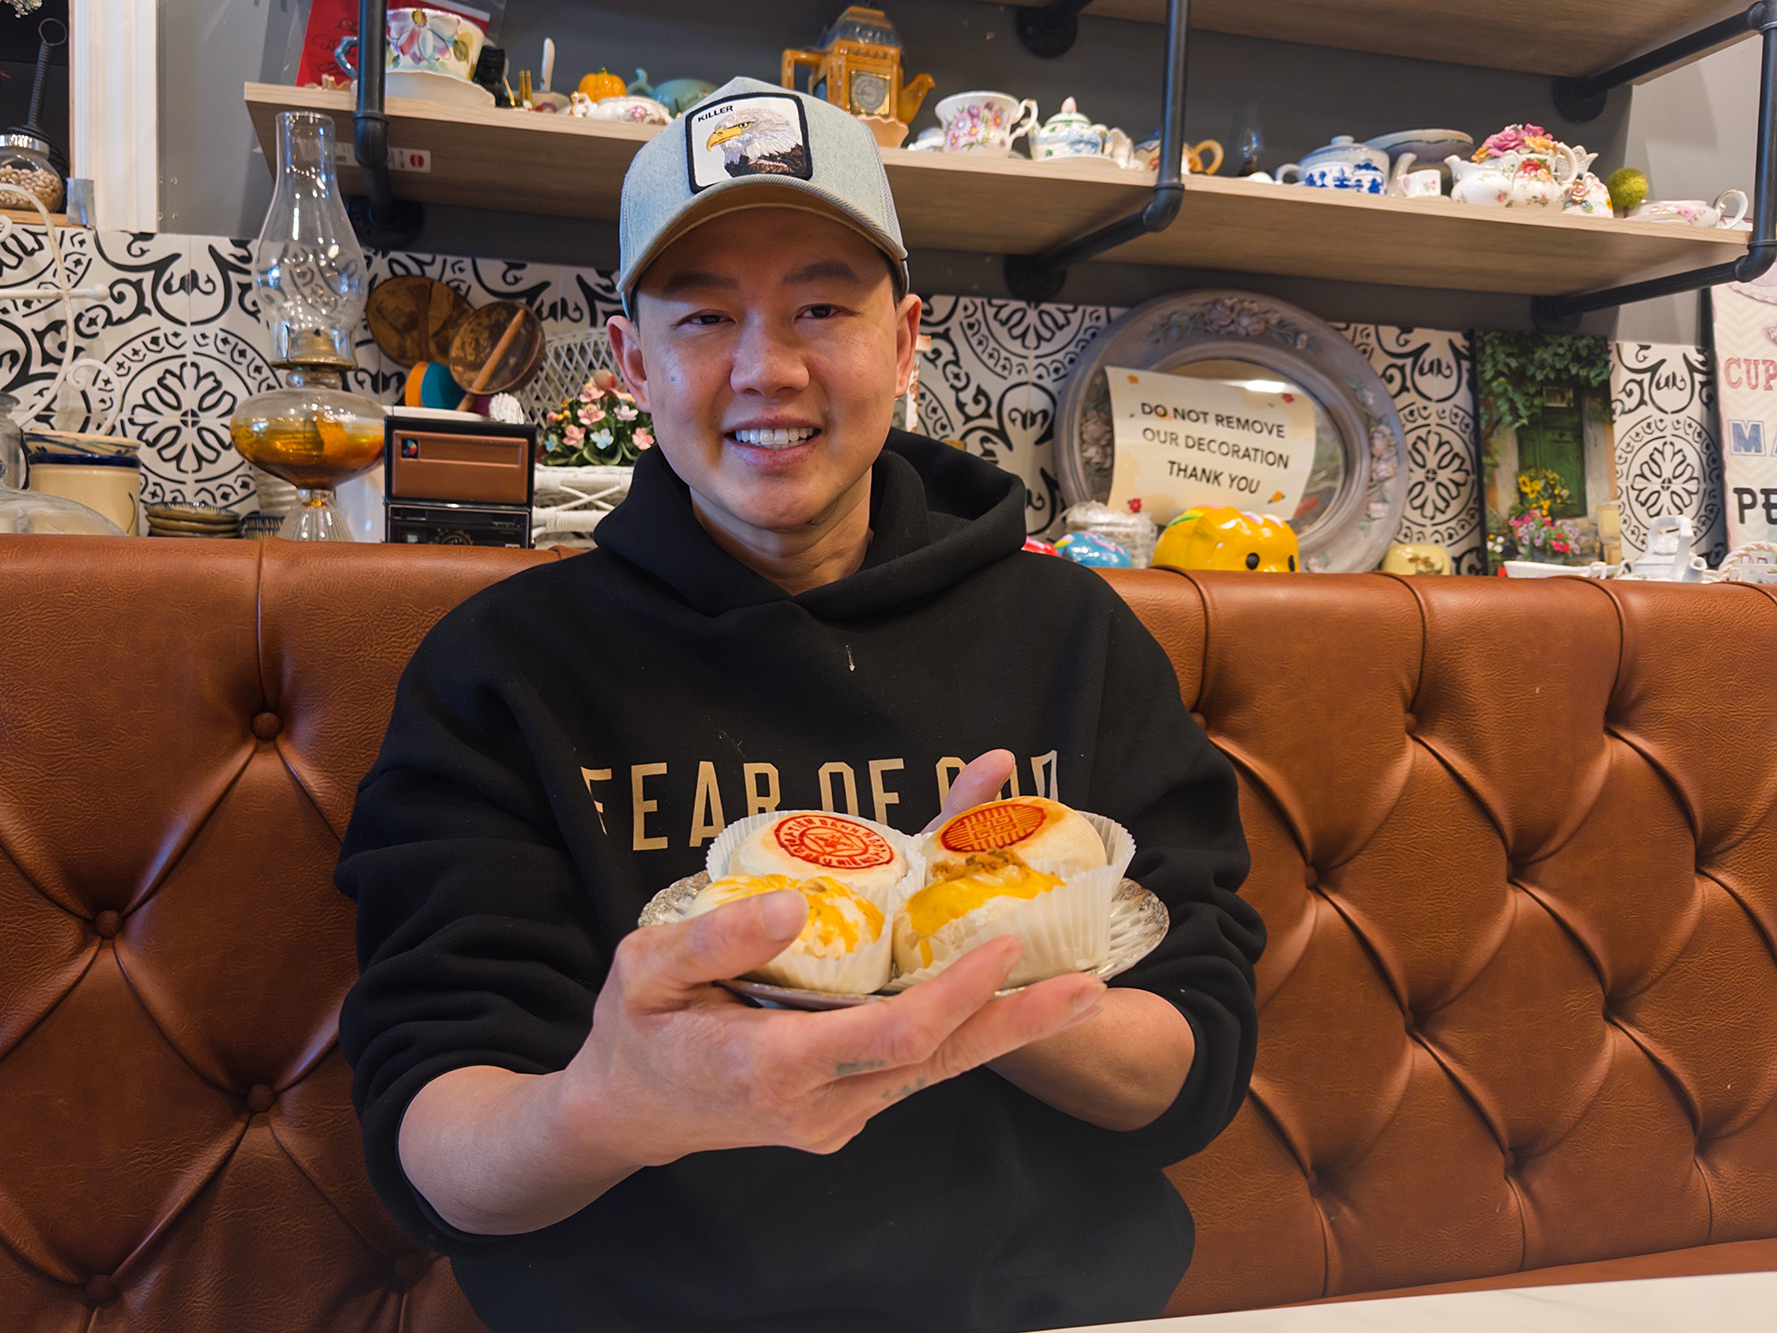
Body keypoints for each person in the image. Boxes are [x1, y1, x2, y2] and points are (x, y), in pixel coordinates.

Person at [337, 77, 1265, 1333]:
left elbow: (1193, 1061)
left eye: (821, 306)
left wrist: (975, 976)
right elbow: (433, 1143)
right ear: (631, 363)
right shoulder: (502, 670)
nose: (766, 370)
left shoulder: (1071, 638)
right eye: (704, 317)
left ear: (902, 340)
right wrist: (609, 1102)